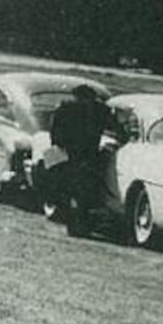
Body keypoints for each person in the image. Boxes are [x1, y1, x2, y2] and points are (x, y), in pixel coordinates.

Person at [49, 84, 113, 237]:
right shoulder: (100, 110)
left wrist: (58, 148)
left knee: (73, 190)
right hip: (84, 155)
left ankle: (73, 223)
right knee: (79, 191)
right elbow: (114, 127)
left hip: (74, 154)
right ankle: (78, 223)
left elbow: (54, 133)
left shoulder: (67, 108)